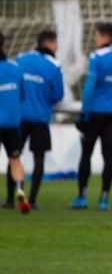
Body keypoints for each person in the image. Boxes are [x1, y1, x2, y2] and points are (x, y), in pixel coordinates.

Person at [70, 22, 112, 211]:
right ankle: (104, 199)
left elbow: (89, 88)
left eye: (96, 36)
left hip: (95, 113)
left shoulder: (96, 57)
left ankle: (82, 197)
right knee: (108, 158)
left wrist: (83, 113)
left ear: (104, 37)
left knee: (86, 154)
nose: (95, 40)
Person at [4, 30, 64, 210]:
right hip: (40, 118)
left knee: (15, 158)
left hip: (19, 118)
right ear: (51, 43)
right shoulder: (53, 65)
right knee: (39, 159)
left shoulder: (21, 59)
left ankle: (11, 199)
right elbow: (58, 95)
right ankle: (32, 200)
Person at [0, 31, 31, 214]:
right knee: (15, 161)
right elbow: (22, 96)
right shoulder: (16, 68)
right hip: (11, 123)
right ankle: (20, 191)